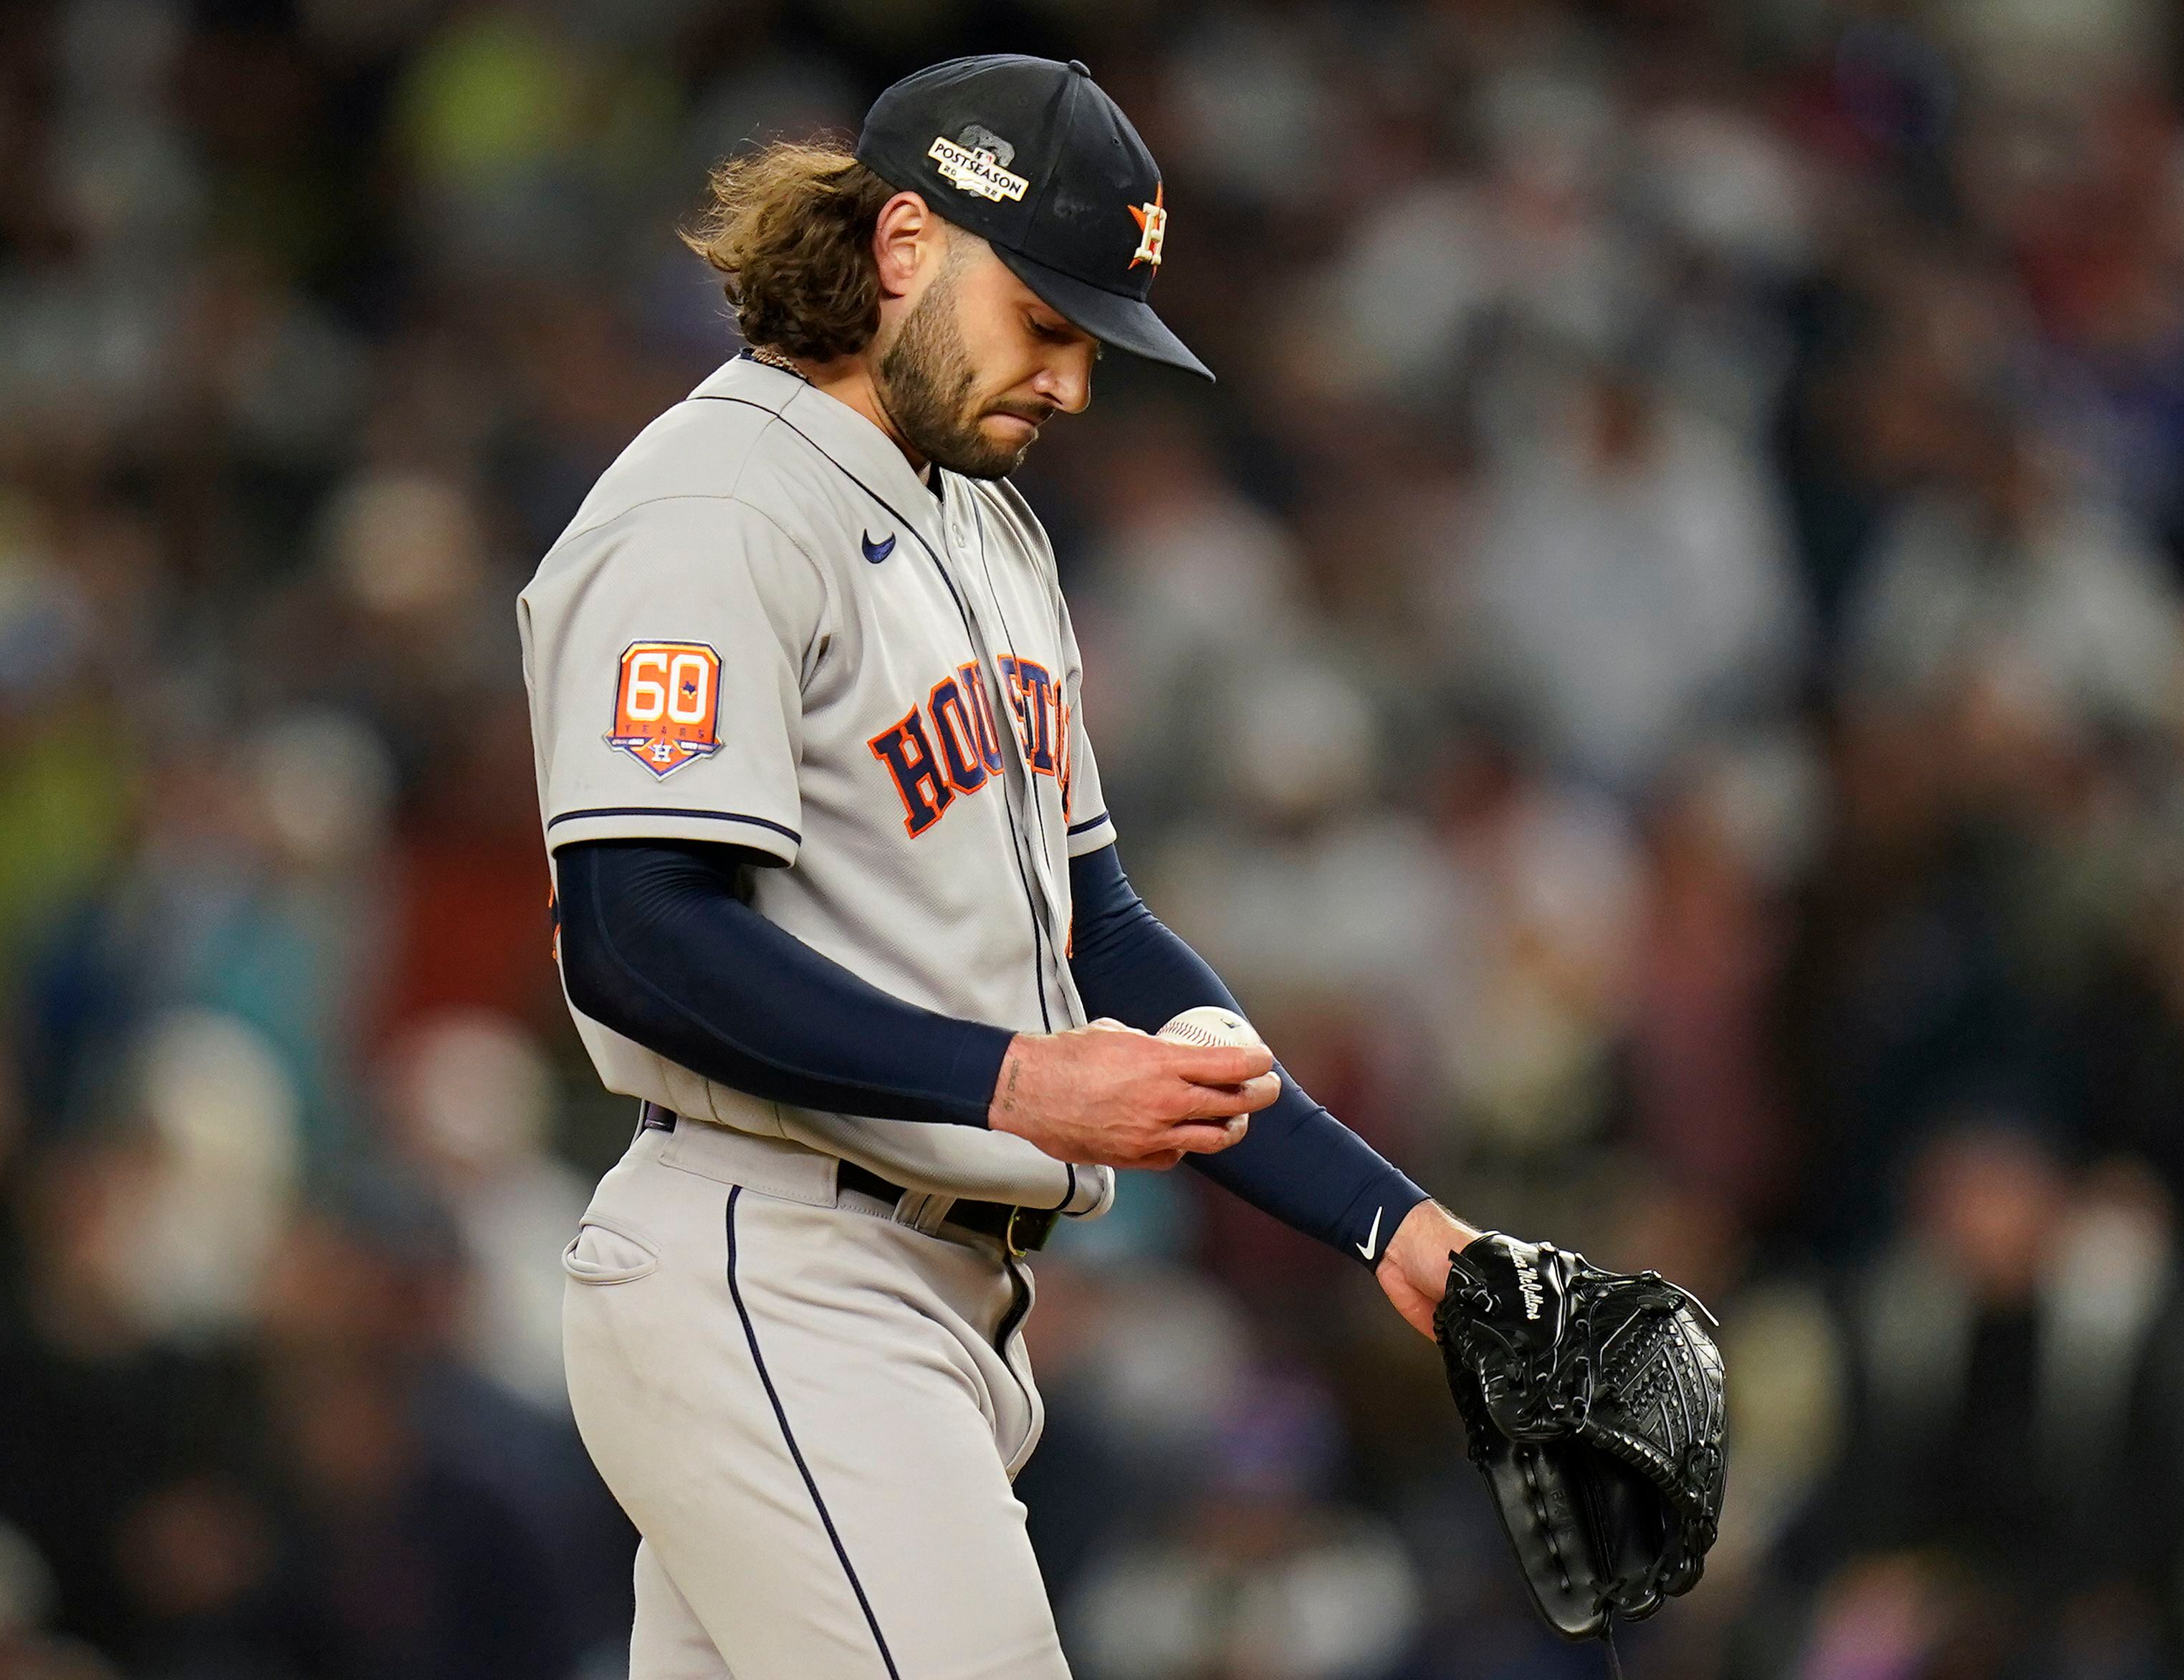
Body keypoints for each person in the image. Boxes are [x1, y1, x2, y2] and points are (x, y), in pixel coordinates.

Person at [516, 54, 1478, 1679]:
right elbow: (635, 935)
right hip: (782, 1270)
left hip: (923, 1300)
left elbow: (1100, 931)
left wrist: (1395, 1229)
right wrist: (1017, 1083)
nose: (1077, 383)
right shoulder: (712, 510)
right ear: (905, 246)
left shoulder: (989, 525)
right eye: (1047, 323)